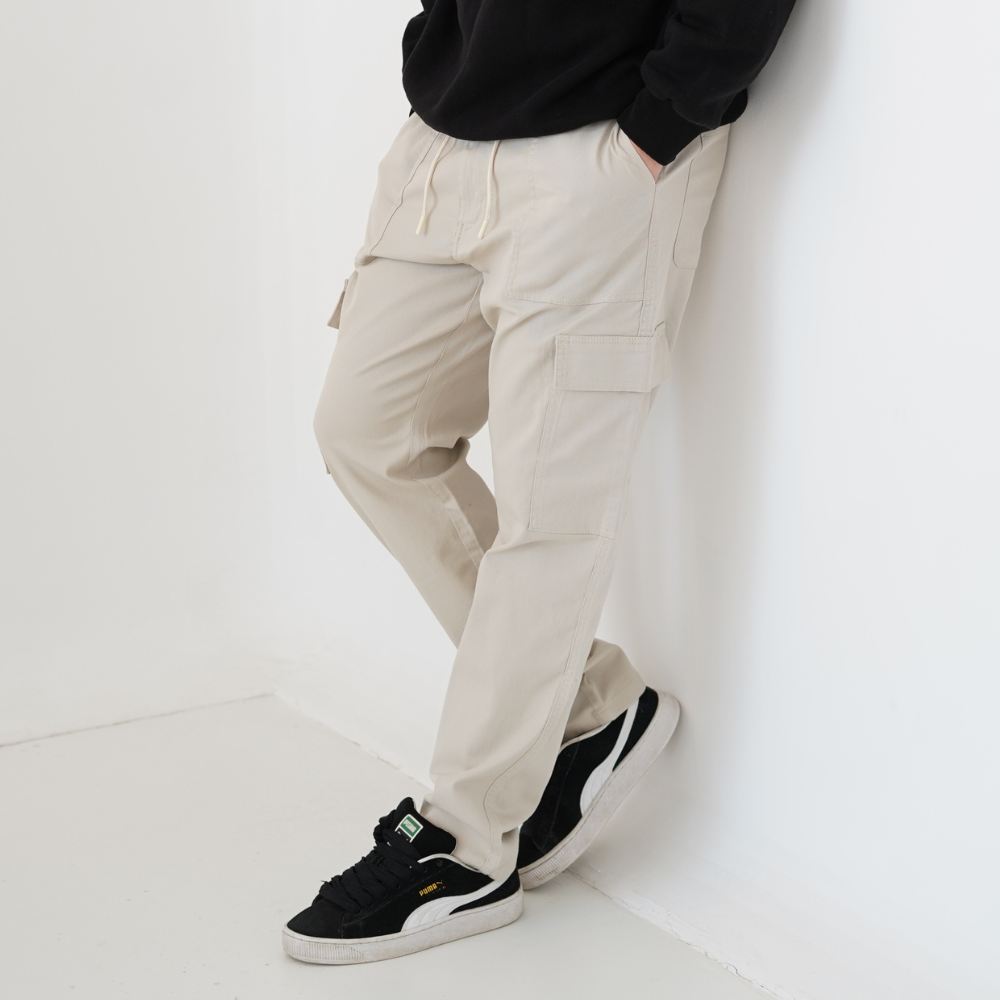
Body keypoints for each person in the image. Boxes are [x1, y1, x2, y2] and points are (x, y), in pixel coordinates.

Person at [283, 0, 795, 965]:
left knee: (548, 515)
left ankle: (467, 842)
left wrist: (660, 124)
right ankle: (591, 703)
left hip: (603, 150)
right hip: (446, 137)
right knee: (366, 434)